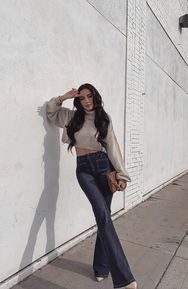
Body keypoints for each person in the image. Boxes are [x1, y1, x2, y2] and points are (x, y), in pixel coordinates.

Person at [46, 83, 137, 289]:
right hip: (84, 170)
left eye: (90, 96)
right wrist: (64, 96)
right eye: (82, 98)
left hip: (104, 167)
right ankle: (124, 279)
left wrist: (121, 174)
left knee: (103, 217)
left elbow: (112, 146)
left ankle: (101, 267)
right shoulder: (71, 117)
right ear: (78, 100)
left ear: (96, 97)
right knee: (103, 216)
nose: (87, 101)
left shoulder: (104, 119)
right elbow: (50, 111)